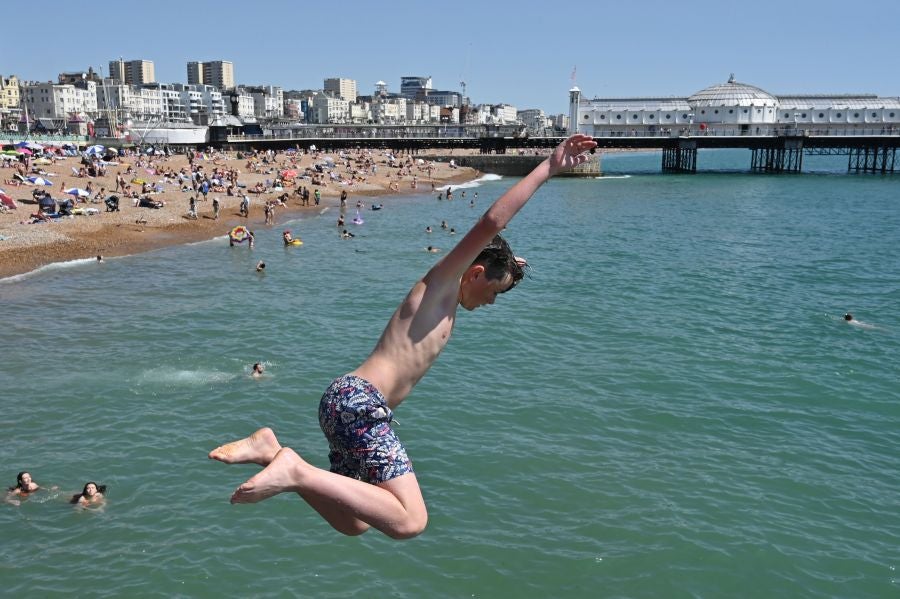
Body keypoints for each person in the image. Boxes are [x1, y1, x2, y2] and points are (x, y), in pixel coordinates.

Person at [209, 134, 597, 540]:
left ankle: (270, 451)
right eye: (493, 293)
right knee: (410, 520)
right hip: (360, 404)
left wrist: (512, 265)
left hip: (344, 403)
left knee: (354, 521)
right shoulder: (441, 285)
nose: (491, 304)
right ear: (477, 273)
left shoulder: (452, 294)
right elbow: (492, 223)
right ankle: (293, 468)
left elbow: (496, 248)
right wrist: (549, 167)